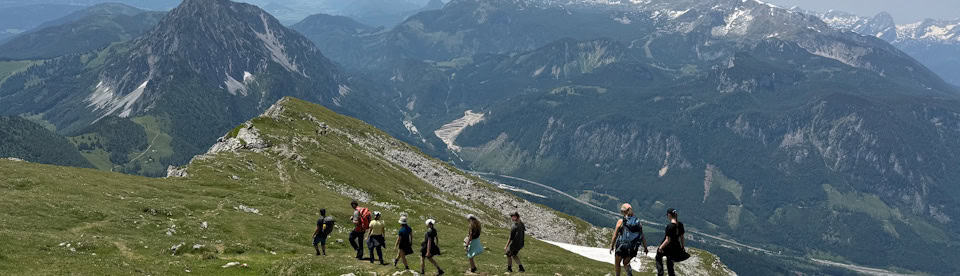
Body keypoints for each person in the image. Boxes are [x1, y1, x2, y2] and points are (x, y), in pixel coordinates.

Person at [609, 203, 648, 276]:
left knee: (617, 263)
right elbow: (642, 236)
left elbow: (615, 235)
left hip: (622, 246)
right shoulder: (638, 222)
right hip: (632, 248)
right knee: (625, 263)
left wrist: (612, 246)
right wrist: (645, 248)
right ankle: (629, 274)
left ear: (624, 212)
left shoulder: (621, 221)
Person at [656, 208, 685, 276]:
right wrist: (682, 247)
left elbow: (667, 240)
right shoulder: (680, 224)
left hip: (668, 248)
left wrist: (660, 248)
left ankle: (660, 273)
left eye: (667, 215)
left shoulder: (670, 226)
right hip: (676, 247)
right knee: (670, 263)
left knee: (658, 256)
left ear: (669, 215)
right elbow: (682, 237)